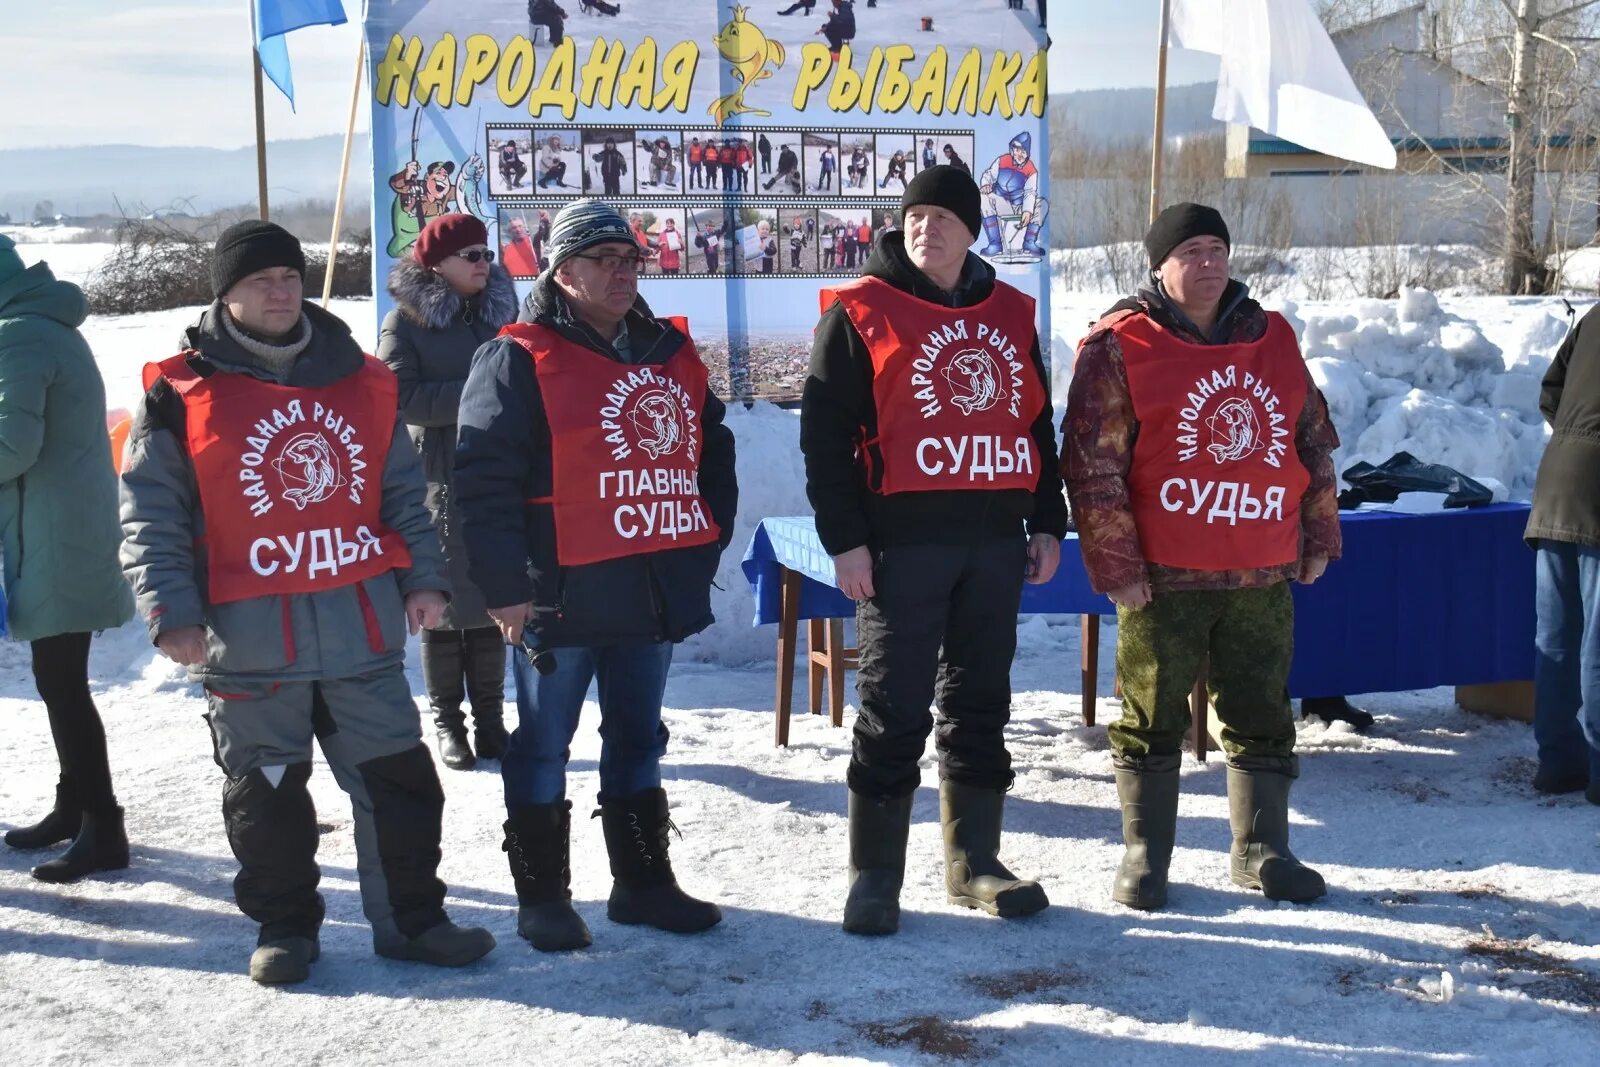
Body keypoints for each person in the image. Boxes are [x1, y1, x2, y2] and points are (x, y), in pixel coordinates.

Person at [120, 221, 495, 984]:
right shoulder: (179, 391)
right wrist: (170, 609)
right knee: (268, 798)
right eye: (262, 279)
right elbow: (151, 512)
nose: (282, 289)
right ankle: (286, 928)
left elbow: (401, 492)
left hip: (358, 630)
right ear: (226, 293)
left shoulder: (358, 378)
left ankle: (413, 920)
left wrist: (425, 576)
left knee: (402, 785)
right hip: (248, 642)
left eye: (290, 275)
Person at [454, 199, 738, 952]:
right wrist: (504, 585)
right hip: (558, 593)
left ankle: (642, 883)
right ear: (563, 270)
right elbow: (480, 481)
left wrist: (698, 549)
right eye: (603, 259)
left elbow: (715, 455)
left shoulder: (669, 354)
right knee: (544, 743)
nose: (622, 271)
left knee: (640, 737)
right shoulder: (517, 355)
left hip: (649, 589)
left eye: (630, 260)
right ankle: (543, 896)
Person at [800, 167, 1067, 935]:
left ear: (972, 230)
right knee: (892, 707)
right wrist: (846, 541)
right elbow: (823, 439)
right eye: (915, 216)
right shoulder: (860, 312)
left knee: (982, 703)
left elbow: (1034, 425)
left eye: (943, 217)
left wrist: (1048, 518)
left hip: (992, 543)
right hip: (900, 546)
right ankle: (874, 876)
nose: (926, 228)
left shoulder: (1011, 313)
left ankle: (973, 862)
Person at [1062, 203, 1340, 912]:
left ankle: (1262, 850)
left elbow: (1311, 445)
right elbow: (1093, 469)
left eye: (1218, 248)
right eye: (1191, 251)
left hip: (1259, 569)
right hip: (1164, 578)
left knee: (1261, 708)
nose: (1209, 263)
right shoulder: (1120, 345)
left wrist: (1319, 534)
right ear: (1158, 264)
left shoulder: (1272, 337)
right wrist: (1115, 566)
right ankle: (1145, 859)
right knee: (1149, 713)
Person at [0, 235, 135, 884]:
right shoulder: (41, 322)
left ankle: (103, 825)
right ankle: (73, 803)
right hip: (65, 525)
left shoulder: (19, 336)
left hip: (53, 532)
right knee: (61, 679)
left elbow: (10, 446)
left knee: (63, 684)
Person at [379, 214, 519, 772]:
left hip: (497, 472)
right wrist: (478, 394)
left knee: (489, 596)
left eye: (487, 253)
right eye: (471, 255)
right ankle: (448, 722)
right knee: (441, 599)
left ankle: (490, 720)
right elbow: (398, 396)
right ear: (436, 265)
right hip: (436, 476)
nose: (484, 263)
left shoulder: (501, 315)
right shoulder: (405, 322)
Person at [1525, 301, 1600, 802]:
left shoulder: (1594, 317)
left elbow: (1551, 393)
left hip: (1557, 484)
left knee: (1556, 635)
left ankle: (1559, 763)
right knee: (1597, 641)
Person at [978, 132, 1048, 258]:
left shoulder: (1031, 169)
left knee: (1042, 204)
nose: (1019, 154)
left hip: (1020, 205)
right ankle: (995, 244)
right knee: (983, 197)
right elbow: (988, 175)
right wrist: (985, 184)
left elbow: (1030, 192)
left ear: (1027, 153)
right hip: (1002, 202)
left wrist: (1027, 211)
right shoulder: (1002, 160)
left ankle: (1029, 243)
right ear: (1012, 149)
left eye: (1023, 151)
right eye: (1017, 150)